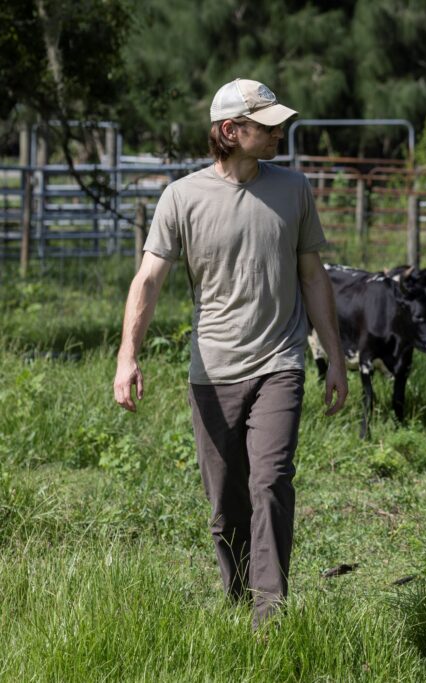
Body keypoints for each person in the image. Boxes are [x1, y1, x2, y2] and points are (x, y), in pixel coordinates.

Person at [112, 78, 347, 631]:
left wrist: (333, 355)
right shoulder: (182, 197)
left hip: (280, 362)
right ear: (228, 131)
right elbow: (147, 281)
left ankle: (270, 616)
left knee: (269, 482)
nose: (277, 132)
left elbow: (313, 277)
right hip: (212, 371)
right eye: (265, 125)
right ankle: (239, 599)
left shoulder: (293, 189)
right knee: (225, 507)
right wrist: (128, 355)